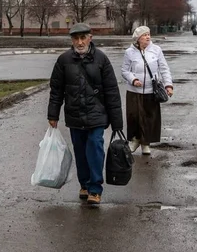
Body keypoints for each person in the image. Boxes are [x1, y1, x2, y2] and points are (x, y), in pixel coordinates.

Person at [47, 23, 123, 205]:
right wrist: (53, 115)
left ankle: (95, 189)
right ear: (72, 40)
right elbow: (56, 90)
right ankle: (85, 184)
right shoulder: (63, 60)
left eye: (83, 38)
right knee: (80, 152)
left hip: (97, 115)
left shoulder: (102, 59)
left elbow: (112, 91)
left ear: (90, 38)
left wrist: (117, 122)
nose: (80, 42)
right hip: (74, 115)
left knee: (95, 150)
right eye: (76, 39)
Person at [121, 26, 173, 155]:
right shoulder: (129, 52)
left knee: (149, 117)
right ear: (138, 39)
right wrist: (133, 80)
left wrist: (168, 85)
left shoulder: (156, 50)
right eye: (144, 35)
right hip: (134, 91)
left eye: (149, 34)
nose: (148, 37)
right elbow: (124, 70)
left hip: (151, 91)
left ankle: (145, 143)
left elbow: (164, 68)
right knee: (134, 116)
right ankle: (135, 140)